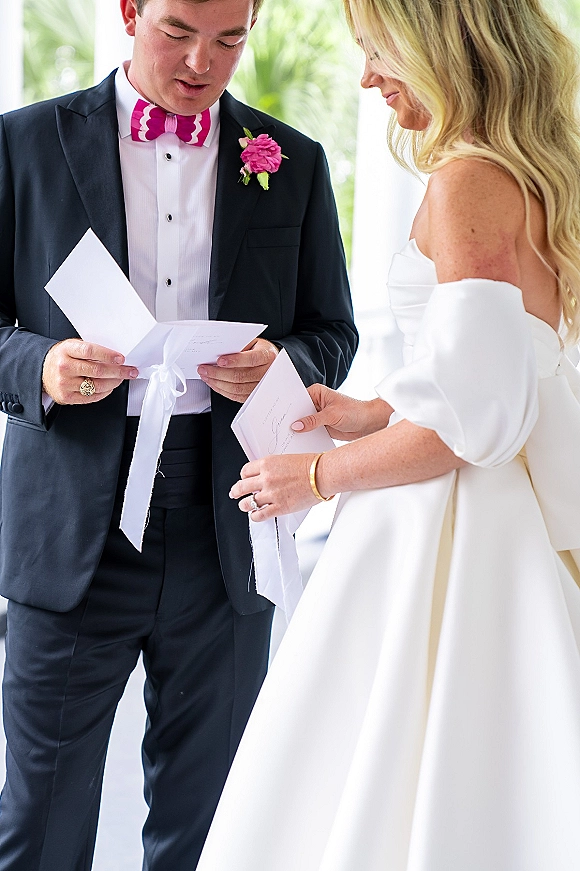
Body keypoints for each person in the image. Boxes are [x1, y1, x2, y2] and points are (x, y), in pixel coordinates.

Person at [196, 0, 580, 867]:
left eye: (378, 52)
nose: (366, 77)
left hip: (455, 523)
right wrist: (374, 412)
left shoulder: (466, 179)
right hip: (490, 503)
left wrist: (320, 476)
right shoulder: (524, 172)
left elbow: (473, 425)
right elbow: (506, 376)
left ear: (443, 47)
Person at [0, 0, 357, 867]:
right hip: (73, 515)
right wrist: (38, 370)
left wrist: (280, 363)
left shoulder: (292, 161)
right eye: (177, 33)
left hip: (228, 516)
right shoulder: (22, 144)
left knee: (212, 820)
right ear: (128, 11)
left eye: (230, 40)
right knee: (40, 822)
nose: (203, 61)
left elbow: (331, 332)